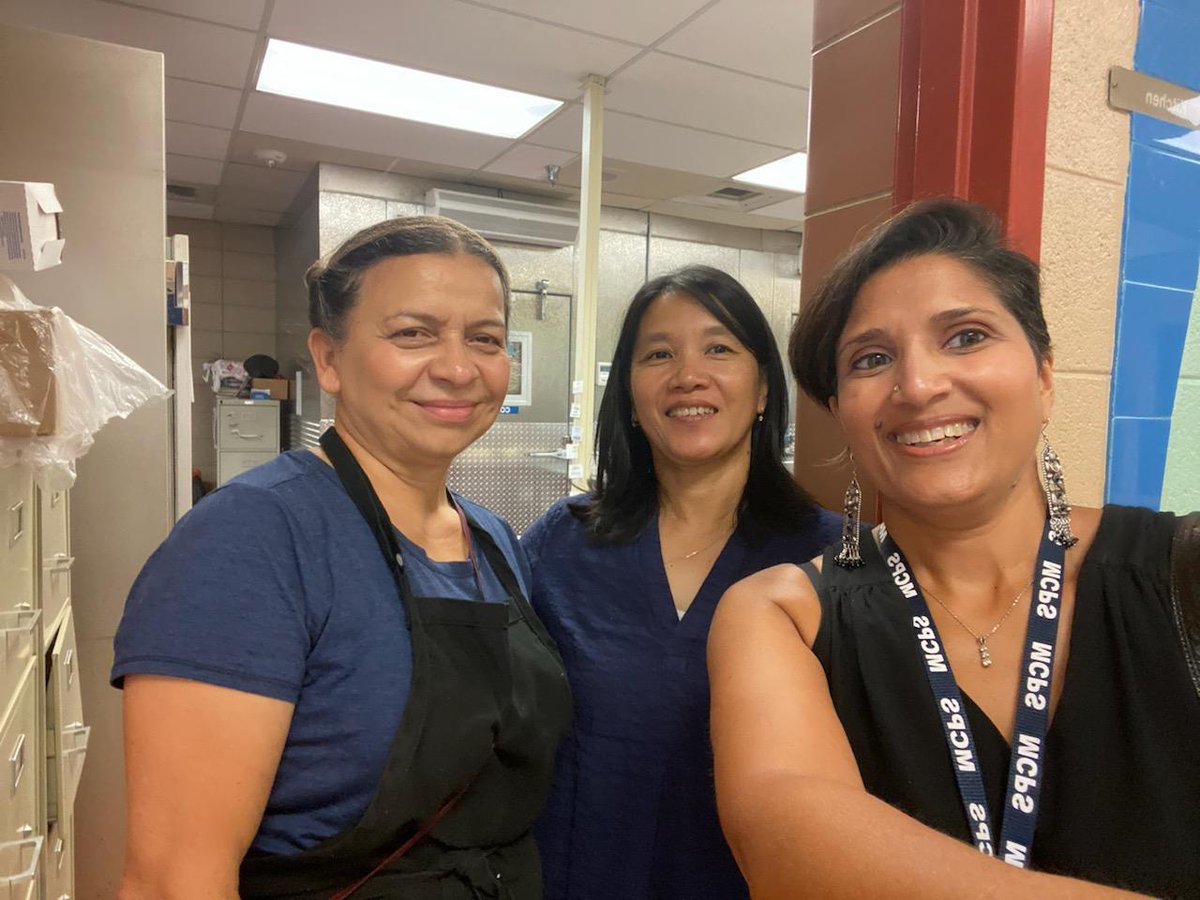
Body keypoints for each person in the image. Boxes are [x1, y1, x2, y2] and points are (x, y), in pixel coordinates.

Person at [708, 198, 1200, 899]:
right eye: (872, 359)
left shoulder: (1182, 570)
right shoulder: (783, 614)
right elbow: (789, 847)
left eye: (966, 337)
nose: (918, 385)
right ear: (843, 414)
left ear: (1044, 375)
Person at [112, 216, 571, 899]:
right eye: (413, 333)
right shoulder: (251, 538)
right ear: (328, 359)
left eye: (486, 339)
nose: (457, 368)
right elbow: (171, 879)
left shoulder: (495, 540)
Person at [523, 265, 840, 899]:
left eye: (718, 348)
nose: (688, 375)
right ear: (630, 396)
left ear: (762, 390)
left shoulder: (831, 560)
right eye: (658, 354)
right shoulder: (563, 541)